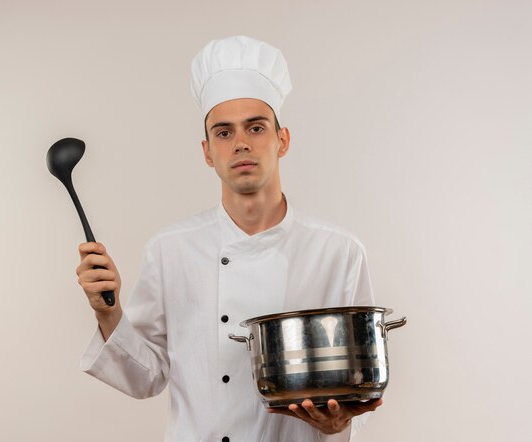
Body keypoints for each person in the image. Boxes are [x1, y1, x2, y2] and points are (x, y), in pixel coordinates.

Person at [76, 36, 382, 441]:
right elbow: (145, 379)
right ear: (207, 152)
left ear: (282, 140)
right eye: (223, 132)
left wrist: (343, 420)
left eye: (256, 127)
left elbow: (360, 381)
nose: (240, 143)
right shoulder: (170, 249)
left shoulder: (338, 251)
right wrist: (107, 313)